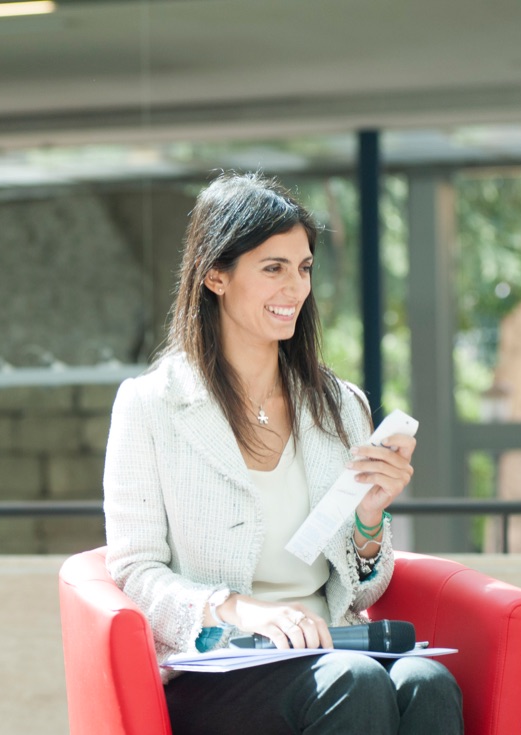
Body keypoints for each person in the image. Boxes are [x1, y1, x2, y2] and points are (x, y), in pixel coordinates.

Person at [102, 172, 463, 734]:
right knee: (356, 680)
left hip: (334, 645)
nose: (294, 288)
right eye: (273, 268)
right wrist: (238, 607)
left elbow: (365, 587)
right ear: (215, 275)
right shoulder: (151, 406)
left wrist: (371, 516)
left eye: (304, 268)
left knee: (428, 682)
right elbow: (134, 572)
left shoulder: (341, 406)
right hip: (220, 667)